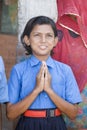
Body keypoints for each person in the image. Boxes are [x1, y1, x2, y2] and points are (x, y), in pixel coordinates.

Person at [6, 16, 82, 130]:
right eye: (37, 35)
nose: (43, 40)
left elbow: (73, 114)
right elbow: (10, 114)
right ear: (27, 40)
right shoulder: (18, 70)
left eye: (49, 36)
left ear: (55, 41)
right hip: (28, 124)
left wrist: (49, 90)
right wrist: (36, 90)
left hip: (56, 124)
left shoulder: (65, 70)